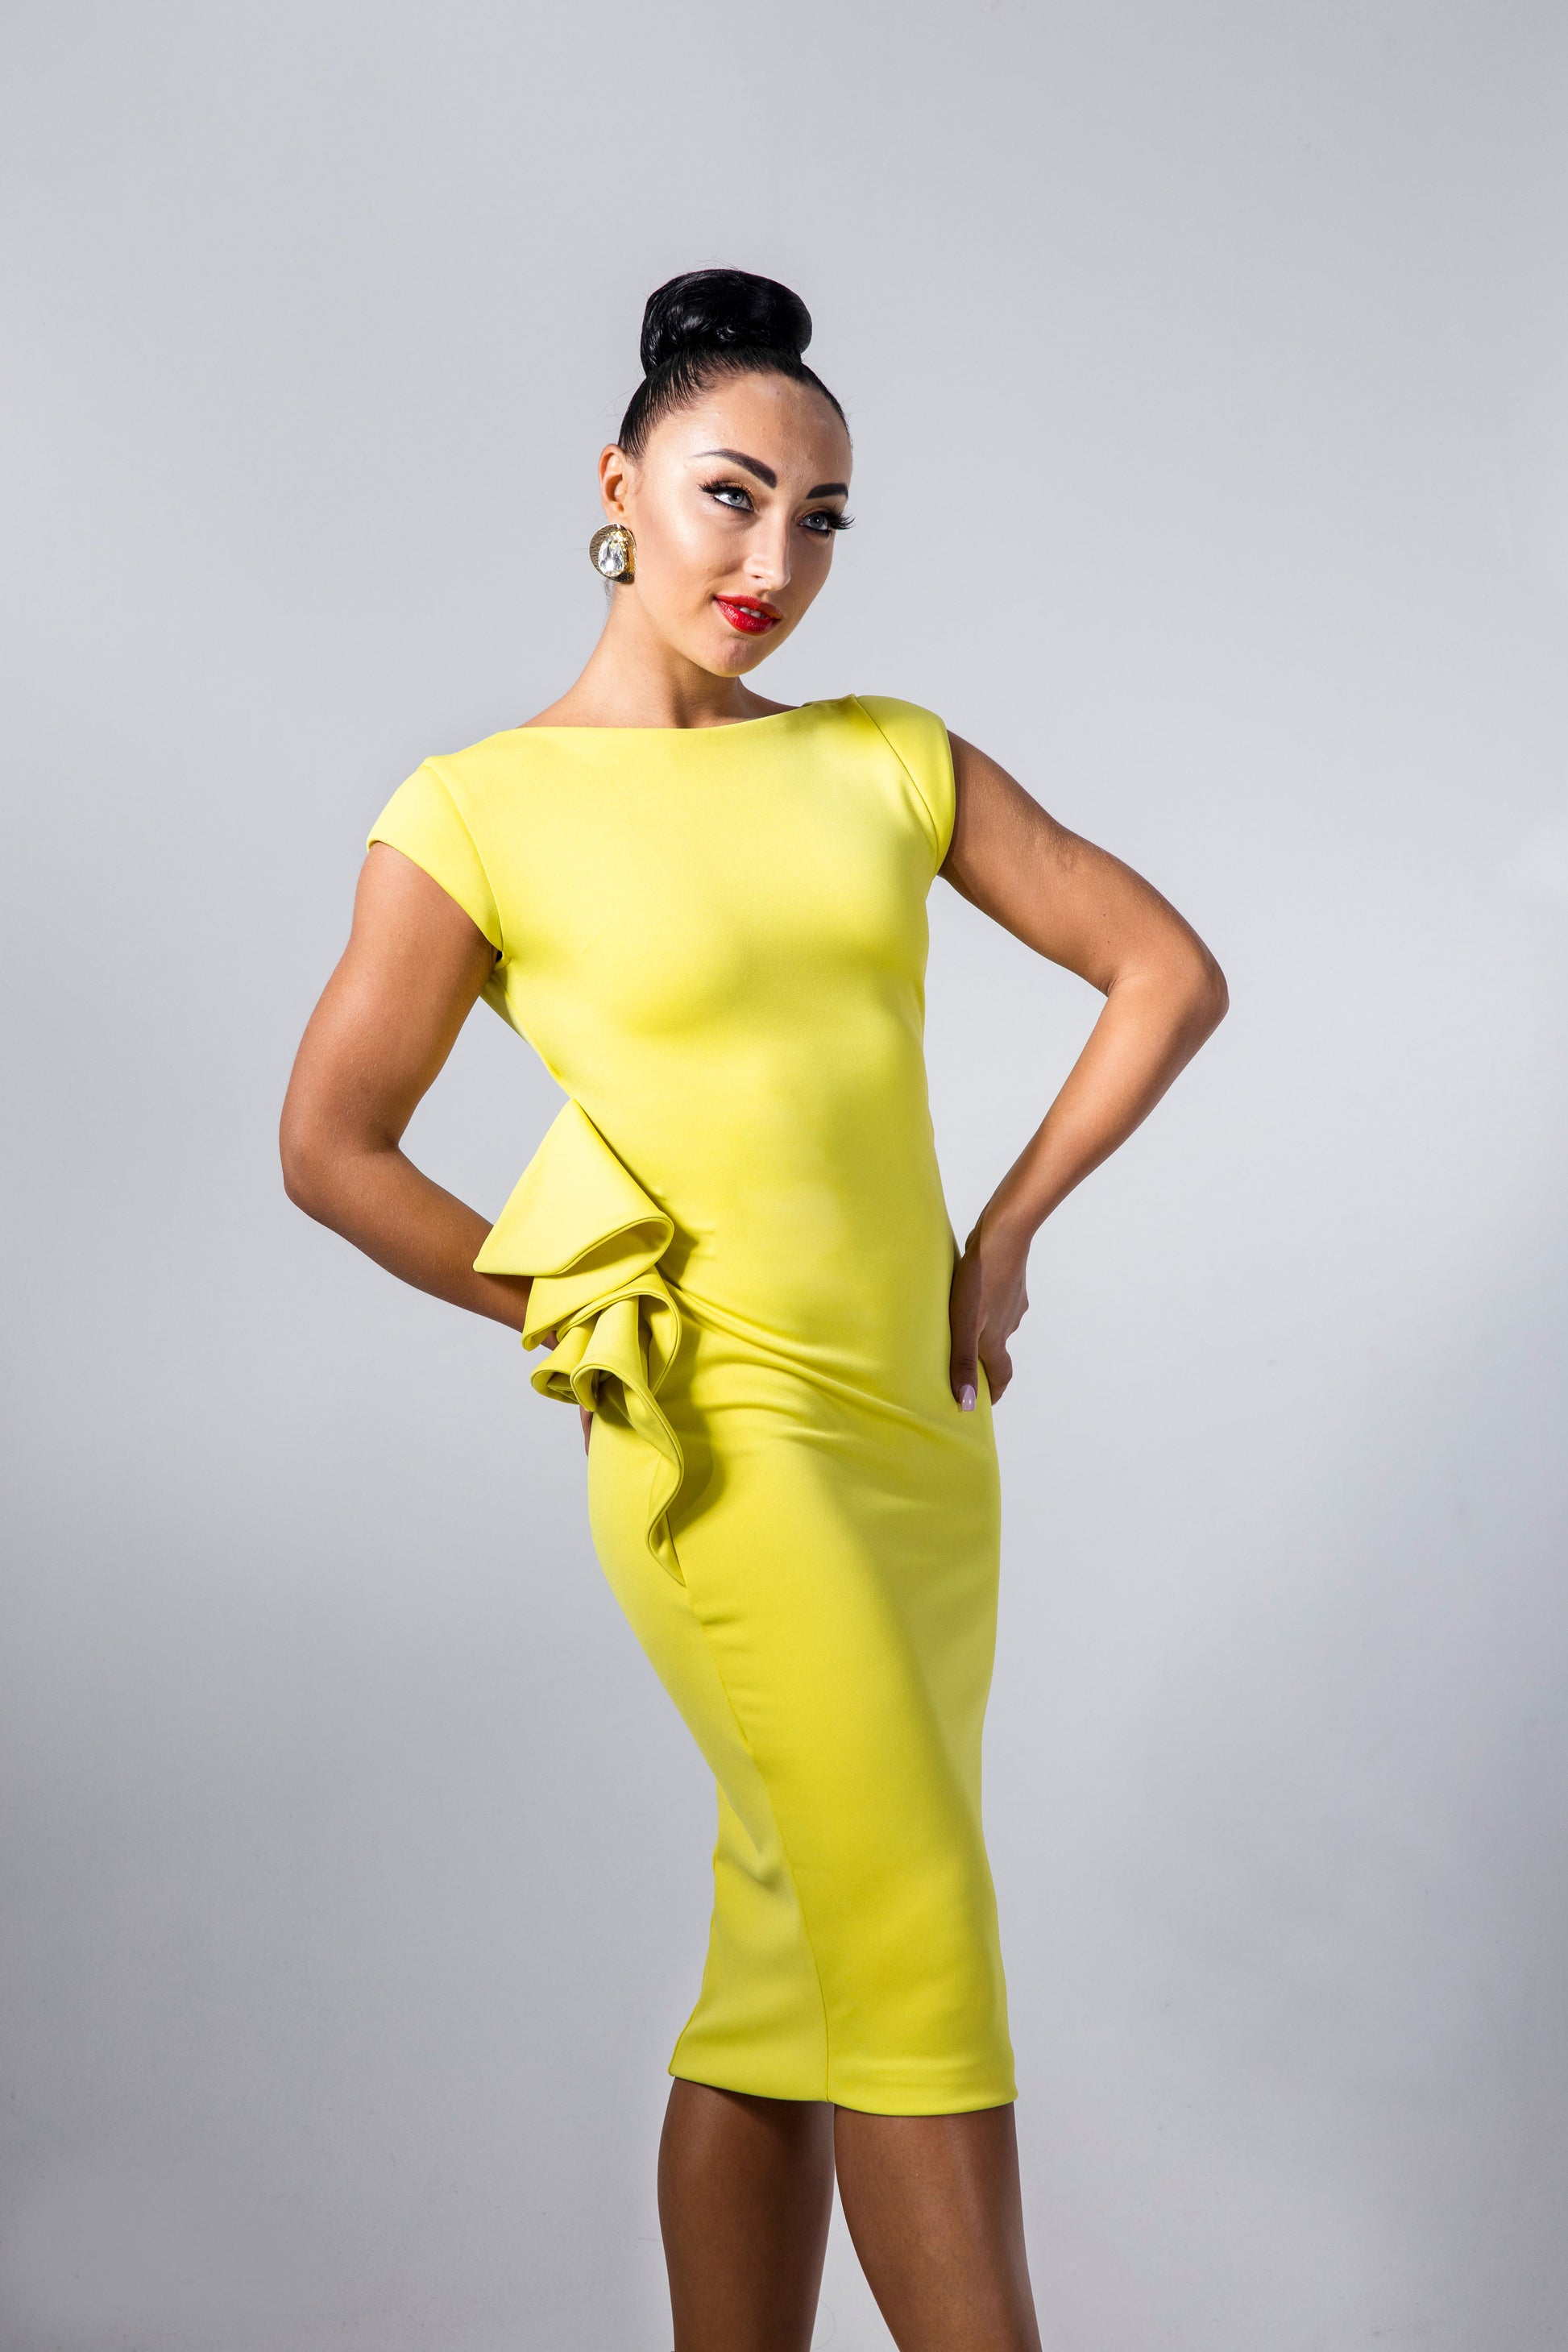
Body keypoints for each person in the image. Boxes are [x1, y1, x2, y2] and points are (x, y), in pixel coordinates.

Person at [280, 267, 1227, 2352]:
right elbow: (331, 1146)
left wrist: (1002, 1235)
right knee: (914, 1933)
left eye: (820, 519)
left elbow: (1165, 971)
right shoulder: (474, 809)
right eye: (729, 495)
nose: (771, 563)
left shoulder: (886, 759)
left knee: (793, 1960)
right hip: (723, 1442)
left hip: (918, 1437)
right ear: (617, 486)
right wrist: (570, 1306)